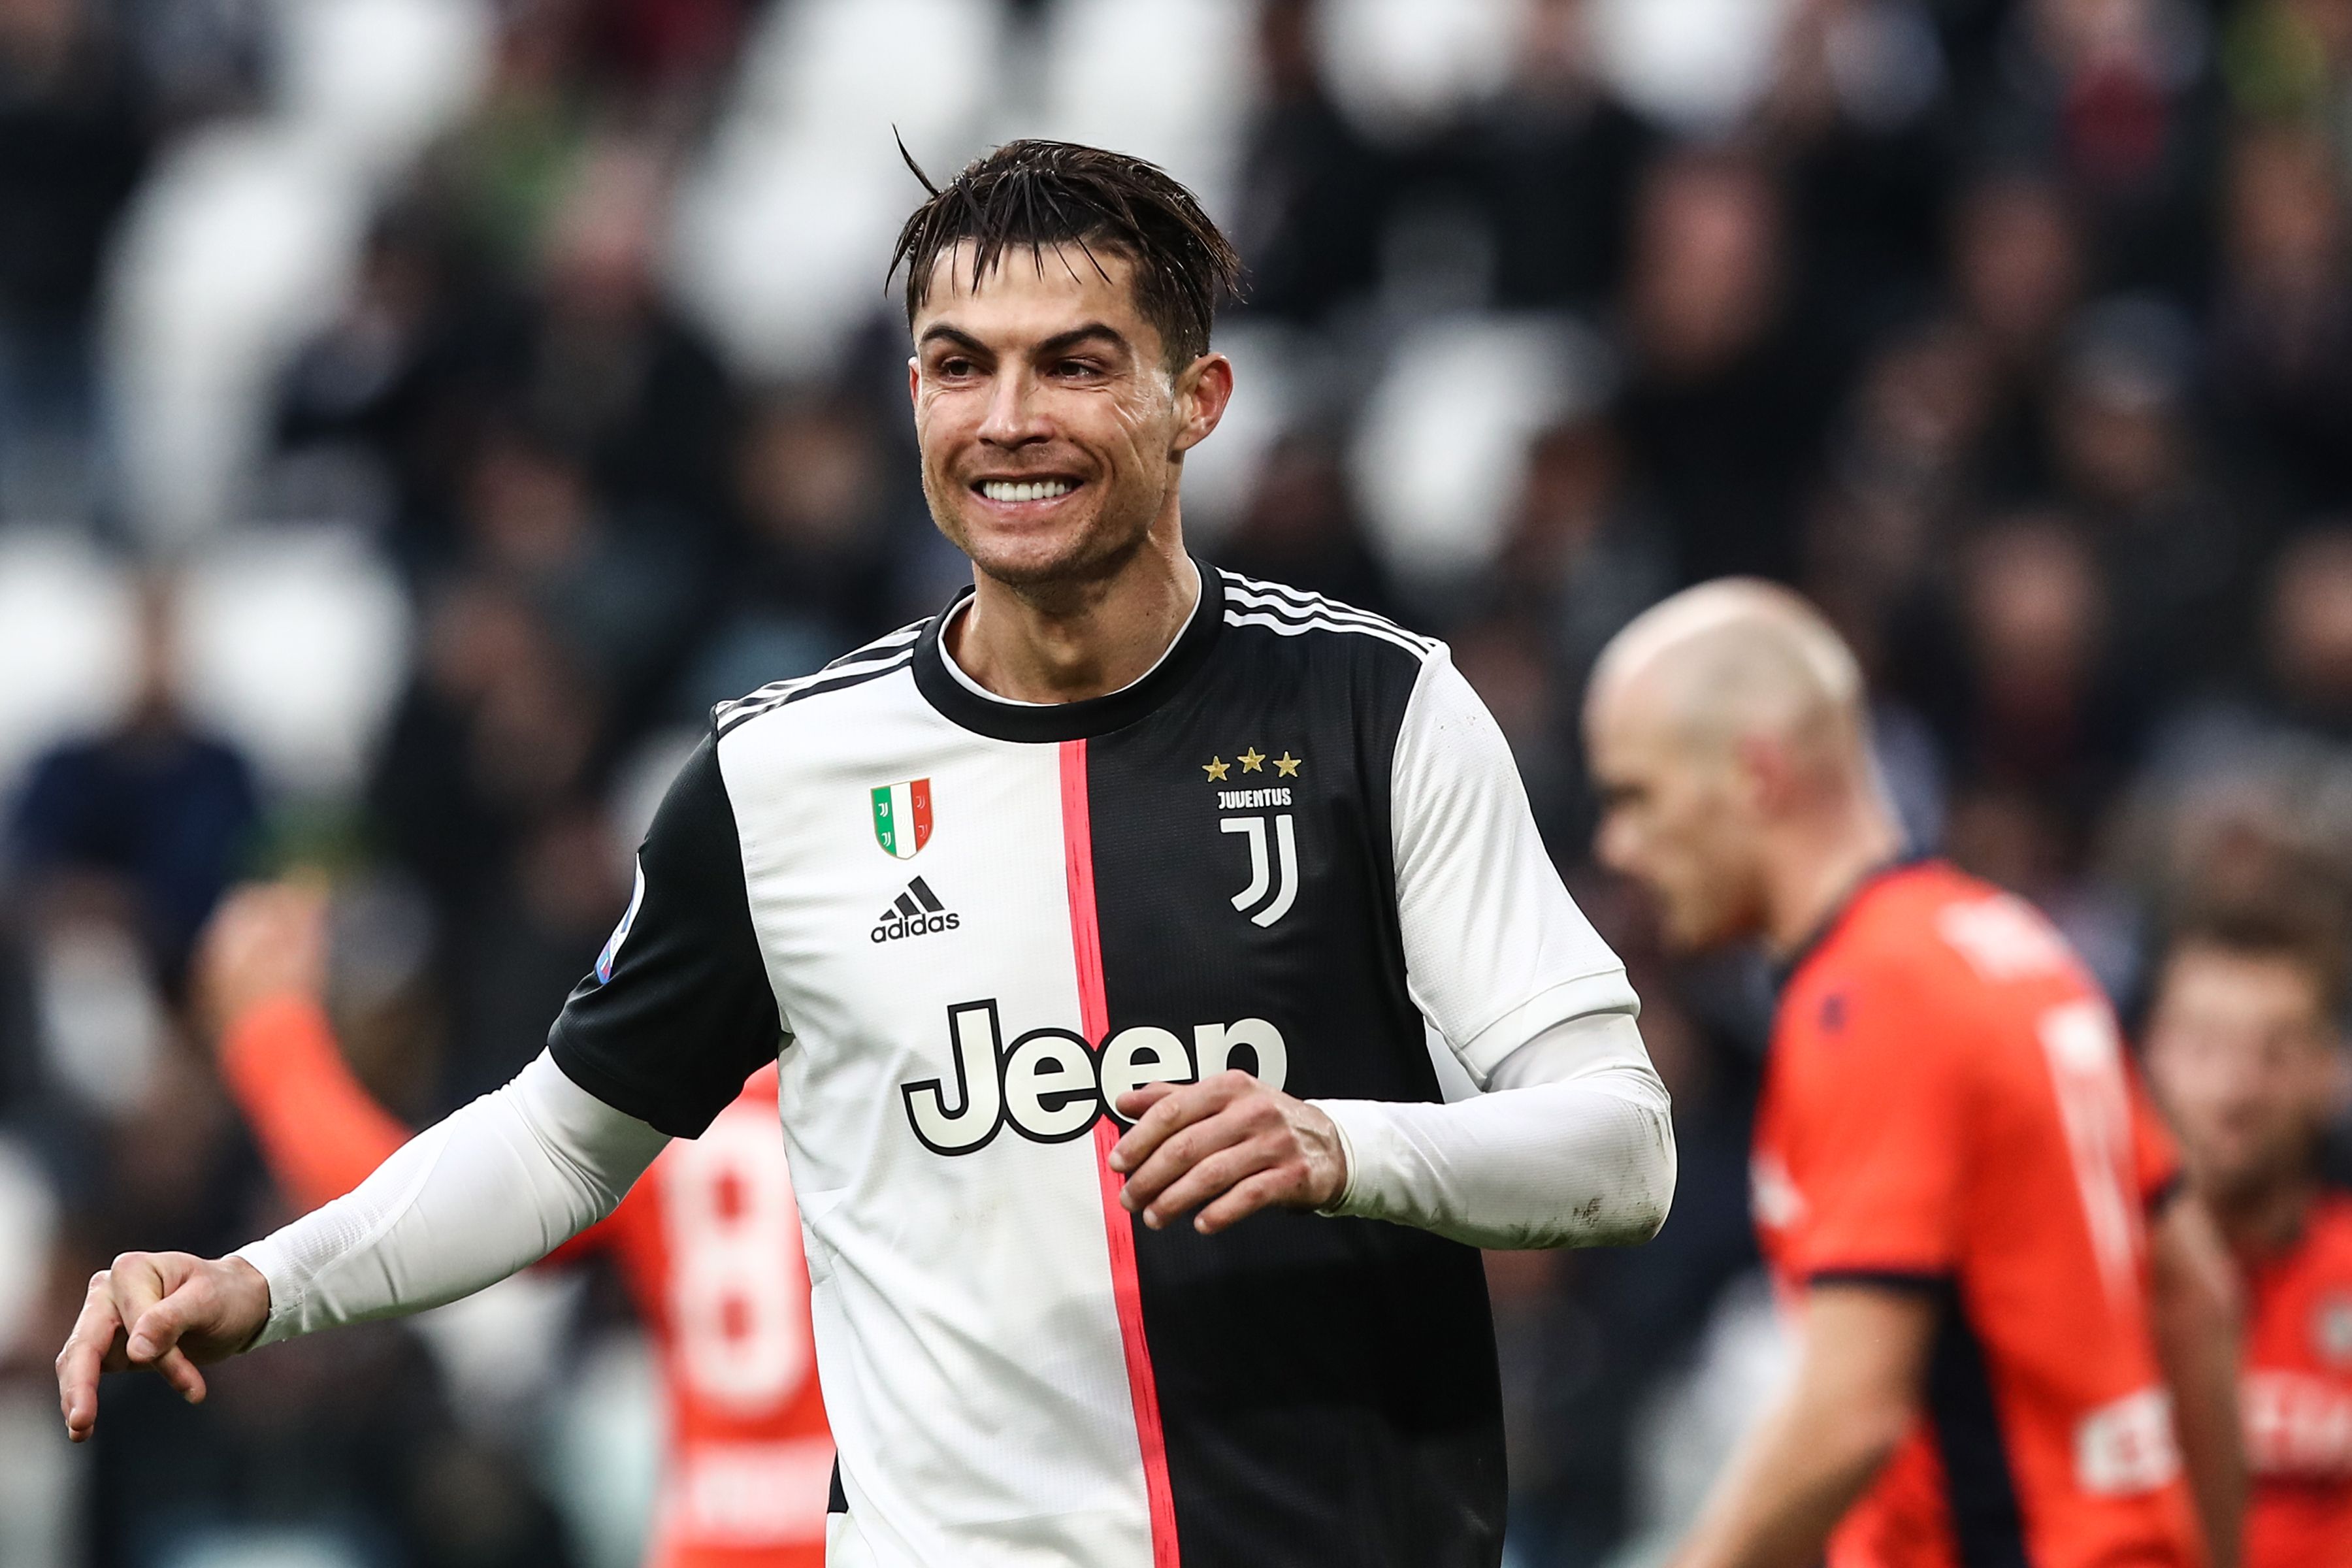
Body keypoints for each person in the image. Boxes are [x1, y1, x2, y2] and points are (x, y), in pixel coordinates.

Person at [59, 140, 1678, 1568]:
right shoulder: (780, 776)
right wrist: (264, 1279)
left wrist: (1340, 1144)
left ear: (1196, 401)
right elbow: (561, 1144)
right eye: (958, 364)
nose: (1009, 418)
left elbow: (1620, 1150)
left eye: (1074, 363)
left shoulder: (1376, 709)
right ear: (911, 393)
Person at [1580, 579, 2241, 1568]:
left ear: (1755, 773)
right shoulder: (2012, 945)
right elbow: (2195, 1293)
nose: (1618, 845)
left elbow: (1851, 1416)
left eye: (1638, 795)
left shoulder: (1869, 1000)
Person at [195, 882, 833, 1568]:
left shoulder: (674, 1111)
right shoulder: (894, 1102)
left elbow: (419, 1213)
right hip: (882, 1529)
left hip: (714, 1539)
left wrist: (269, 1036)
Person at [2144, 894, 2352, 1568]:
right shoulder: (2084, 1287)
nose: (2236, 1089)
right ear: (2152, 1054)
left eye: (2278, 1052)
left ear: (2332, 1072)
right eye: (2205, 1045)